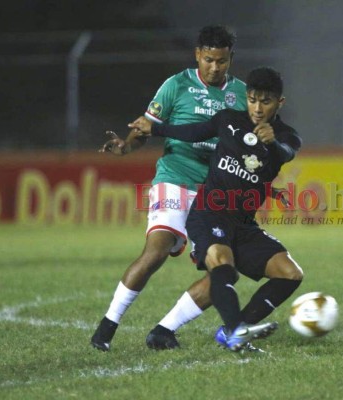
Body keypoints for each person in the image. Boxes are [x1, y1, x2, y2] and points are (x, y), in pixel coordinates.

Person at [90, 25, 247, 352]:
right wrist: (127, 146)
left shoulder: (243, 95)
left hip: (214, 193)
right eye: (208, 60)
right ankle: (107, 326)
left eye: (221, 61)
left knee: (225, 271)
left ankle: (164, 330)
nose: (215, 68)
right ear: (197, 56)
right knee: (157, 249)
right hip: (174, 178)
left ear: (231, 58)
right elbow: (144, 127)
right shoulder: (176, 85)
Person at [130, 67, 304, 351]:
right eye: (252, 99)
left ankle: (232, 330)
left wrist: (271, 143)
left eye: (266, 101)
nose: (257, 108)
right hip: (209, 212)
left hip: (244, 224)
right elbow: (194, 131)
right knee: (223, 265)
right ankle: (237, 333)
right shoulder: (228, 120)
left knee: (290, 273)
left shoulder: (287, 136)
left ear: (279, 103)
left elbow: (284, 154)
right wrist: (156, 128)